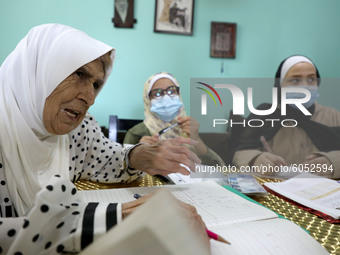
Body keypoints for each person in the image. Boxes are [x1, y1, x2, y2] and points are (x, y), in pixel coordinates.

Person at [0, 24, 209, 254]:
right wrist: (112, 219)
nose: (90, 98)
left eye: (96, 85)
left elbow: (108, 158)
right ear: (37, 69)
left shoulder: (78, 131)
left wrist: (137, 155)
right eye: (79, 74)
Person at [231, 55, 340, 178]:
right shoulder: (264, 115)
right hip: (272, 193)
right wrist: (255, 159)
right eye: (295, 80)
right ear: (281, 85)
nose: (305, 86)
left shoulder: (333, 116)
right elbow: (238, 151)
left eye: (311, 79)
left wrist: (334, 162)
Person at [123, 72, 225, 167]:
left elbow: (219, 168)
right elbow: (123, 171)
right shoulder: (136, 133)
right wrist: (139, 154)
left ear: (179, 94)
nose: (166, 97)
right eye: (157, 93)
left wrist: (196, 138)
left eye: (171, 91)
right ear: (148, 99)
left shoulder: (188, 128)